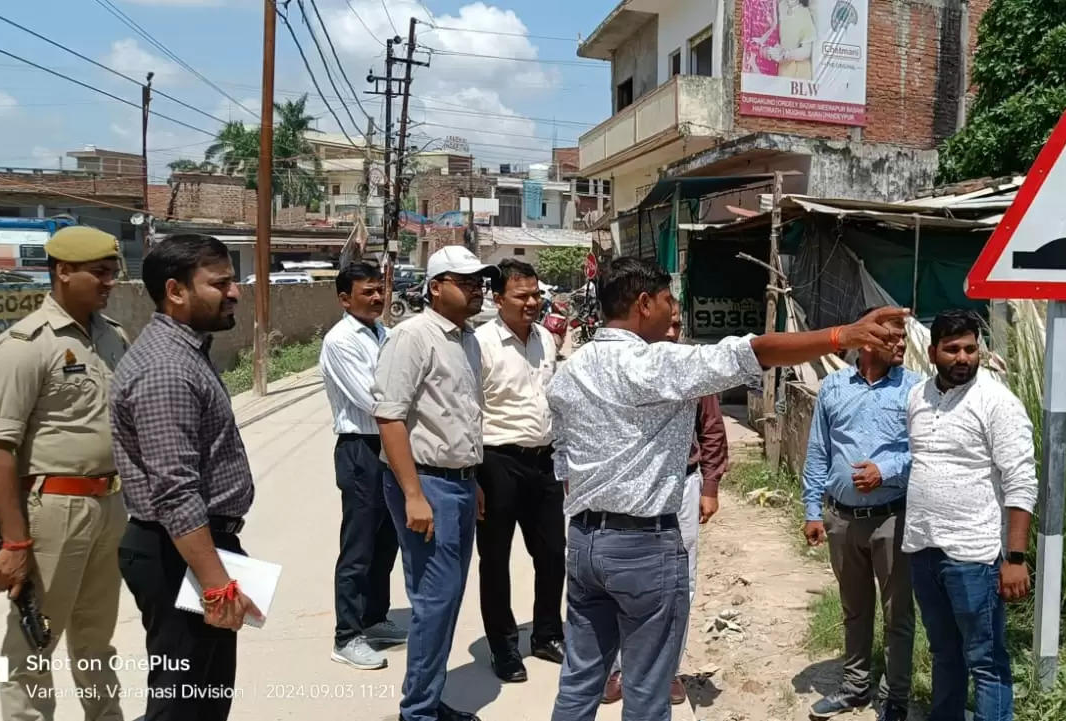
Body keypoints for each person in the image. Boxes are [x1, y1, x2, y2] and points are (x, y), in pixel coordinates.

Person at [548, 256, 906, 721]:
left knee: (579, 682)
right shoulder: (654, 363)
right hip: (642, 548)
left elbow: (563, 464)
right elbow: (752, 352)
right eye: (666, 301)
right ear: (643, 304)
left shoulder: (570, 370)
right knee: (647, 688)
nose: (672, 312)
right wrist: (843, 336)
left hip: (584, 542)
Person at [0, 226, 129, 721]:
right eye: (100, 273)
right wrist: (15, 544)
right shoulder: (24, 345)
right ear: (63, 271)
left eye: (112, 273)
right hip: (53, 512)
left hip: (109, 505)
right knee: (31, 645)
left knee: (96, 639)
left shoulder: (112, 336)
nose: (109, 282)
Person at [112, 233, 261, 721]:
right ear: (176, 291)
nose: (234, 291)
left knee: (205, 700)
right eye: (219, 283)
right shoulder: (166, 368)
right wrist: (215, 582)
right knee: (181, 703)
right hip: (177, 553)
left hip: (194, 550)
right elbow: (175, 490)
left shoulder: (186, 351)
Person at [373, 245, 498, 721]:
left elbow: (458, 418)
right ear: (435, 287)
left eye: (478, 282)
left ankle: (427, 698)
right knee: (433, 601)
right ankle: (418, 712)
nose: (475, 289)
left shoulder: (465, 338)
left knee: (444, 604)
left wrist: (472, 476)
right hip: (426, 485)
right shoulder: (413, 337)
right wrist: (413, 494)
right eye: (464, 281)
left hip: (458, 483)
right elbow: (389, 417)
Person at [902, 310, 1037, 721]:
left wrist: (1014, 559)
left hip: (974, 556)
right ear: (931, 353)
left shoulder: (997, 402)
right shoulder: (917, 397)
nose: (962, 357)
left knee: (987, 660)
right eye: (952, 349)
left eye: (970, 348)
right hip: (923, 549)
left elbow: (1021, 481)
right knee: (944, 653)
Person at [601, 302, 730, 706]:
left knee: (680, 580)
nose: (673, 331)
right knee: (622, 578)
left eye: (678, 324)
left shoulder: (693, 368)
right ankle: (617, 668)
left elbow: (711, 429)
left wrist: (710, 485)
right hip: (628, 488)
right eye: (667, 323)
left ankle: (668, 670)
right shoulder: (622, 366)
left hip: (683, 488)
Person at [800, 307, 922, 721]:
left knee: (897, 612)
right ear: (867, 340)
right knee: (854, 608)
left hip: (894, 518)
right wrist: (813, 510)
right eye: (893, 336)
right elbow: (818, 452)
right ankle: (855, 687)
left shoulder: (916, 390)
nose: (902, 343)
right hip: (842, 520)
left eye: (903, 336)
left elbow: (925, 451)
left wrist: (885, 470)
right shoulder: (833, 388)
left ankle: (895, 697)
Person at [472, 259, 565, 683]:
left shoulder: (546, 338)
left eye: (535, 294)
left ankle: (547, 633)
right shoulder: (480, 344)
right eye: (521, 296)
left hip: (542, 461)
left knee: (551, 554)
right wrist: (473, 475)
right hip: (497, 462)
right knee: (495, 559)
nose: (532, 302)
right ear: (497, 299)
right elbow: (468, 410)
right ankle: (504, 647)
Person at [320, 262, 408, 671]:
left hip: (392, 445)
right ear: (344, 299)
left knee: (387, 538)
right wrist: (405, 403)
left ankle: (374, 618)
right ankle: (347, 634)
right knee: (358, 545)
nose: (376, 298)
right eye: (366, 293)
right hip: (362, 447)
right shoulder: (341, 340)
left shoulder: (385, 333)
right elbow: (371, 398)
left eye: (379, 291)